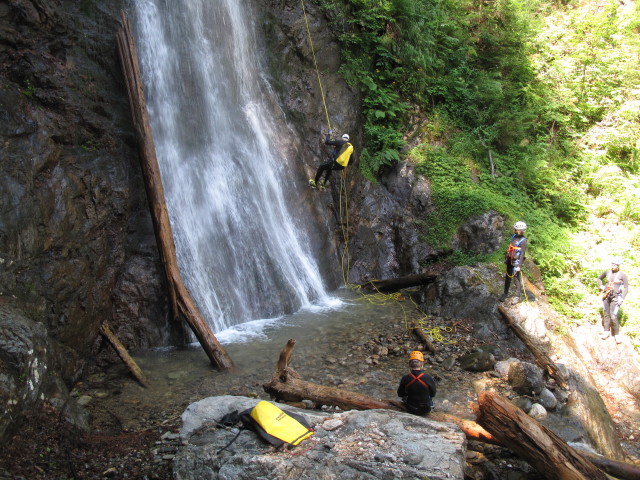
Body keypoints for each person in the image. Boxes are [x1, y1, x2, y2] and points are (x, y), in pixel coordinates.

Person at [597, 258, 629, 344]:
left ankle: (617, 335)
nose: (613, 266)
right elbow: (599, 279)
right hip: (606, 296)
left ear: (618, 266)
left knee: (613, 316)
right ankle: (606, 332)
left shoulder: (622, 275)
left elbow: (626, 287)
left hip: (616, 297)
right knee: (606, 314)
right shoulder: (607, 272)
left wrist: (621, 298)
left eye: (615, 265)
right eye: (612, 264)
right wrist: (601, 286)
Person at [397, 350, 436, 415]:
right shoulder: (428, 378)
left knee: (405, 397)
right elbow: (433, 394)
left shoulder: (405, 378)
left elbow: (400, 394)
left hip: (411, 408)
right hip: (425, 410)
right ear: (422, 363)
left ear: (409, 364)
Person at [499, 221, 528, 303]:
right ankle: (505, 293)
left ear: (520, 230)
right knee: (507, 277)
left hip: (516, 262)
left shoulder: (523, 241)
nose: (514, 230)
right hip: (510, 259)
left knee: (516, 279)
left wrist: (519, 265)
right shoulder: (514, 237)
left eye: (515, 229)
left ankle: (517, 297)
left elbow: (522, 254)